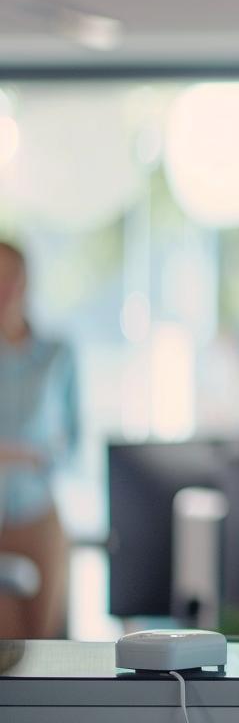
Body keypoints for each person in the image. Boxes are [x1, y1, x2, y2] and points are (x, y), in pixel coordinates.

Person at [0, 240, 78, 639]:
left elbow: (72, 448)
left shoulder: (55, 357)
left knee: (42, 645)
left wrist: (31, 456)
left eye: (10, 276)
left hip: (37, 513)